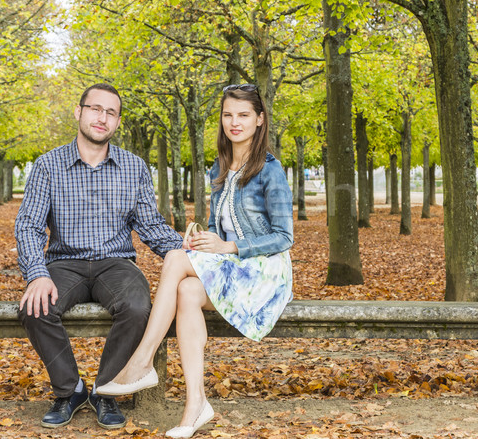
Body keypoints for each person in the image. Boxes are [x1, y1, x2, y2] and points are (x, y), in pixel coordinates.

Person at [97, 83, 294, 438]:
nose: (235, 122)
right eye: (228, 115)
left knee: (174, 258)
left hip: (265, 273)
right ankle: (195, 405)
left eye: (244, 115)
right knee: (187, 289)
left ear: (260, 120)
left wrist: (228, 247)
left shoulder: (270, 170)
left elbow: (283, 237)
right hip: (233, 269)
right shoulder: (218, 169)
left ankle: (142, 360)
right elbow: (219, 232)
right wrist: (203, 243)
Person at [15, 83, 183, 430]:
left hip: (116, 264)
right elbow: (29, 226)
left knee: (138, 307)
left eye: (111, 112)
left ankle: (106, 391)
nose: (102, 117)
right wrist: (37, 273)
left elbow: (150, 225)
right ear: (79, 112)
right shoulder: (48, 165)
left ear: (117, 121)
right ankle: (70, 390)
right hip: (63, 263)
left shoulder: (134, 167)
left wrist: (186, 250)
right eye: (95, 108)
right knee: (36, 306)